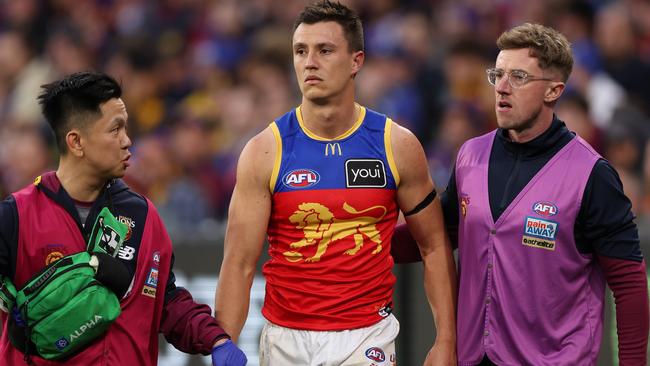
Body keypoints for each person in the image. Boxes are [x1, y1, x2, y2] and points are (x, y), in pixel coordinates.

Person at [214, 1, 457, 365]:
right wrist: (223, 344)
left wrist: (446, 341)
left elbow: (434, 247)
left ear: (356, 61)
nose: (309, 62)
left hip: (367, 336)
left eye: (325, 50)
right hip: (284, 340)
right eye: (300, 51)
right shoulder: (264, 151)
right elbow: (238, 263)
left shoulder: (397, 146)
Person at [392, 23, 649, 365]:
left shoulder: (592, 175)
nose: (501, 87)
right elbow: (436, 236)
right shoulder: (470, 156)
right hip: (473, 358)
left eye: (518, 77)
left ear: (553, 91)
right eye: (497, 74)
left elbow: (629, 283)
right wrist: (361, 237)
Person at [0, 71, 247, 365]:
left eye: (126, 128)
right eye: (115, 129)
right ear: (76, 142)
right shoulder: (16, 216)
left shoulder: (142, 214)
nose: (127, 141)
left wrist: (214, 340)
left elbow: (165, 300)